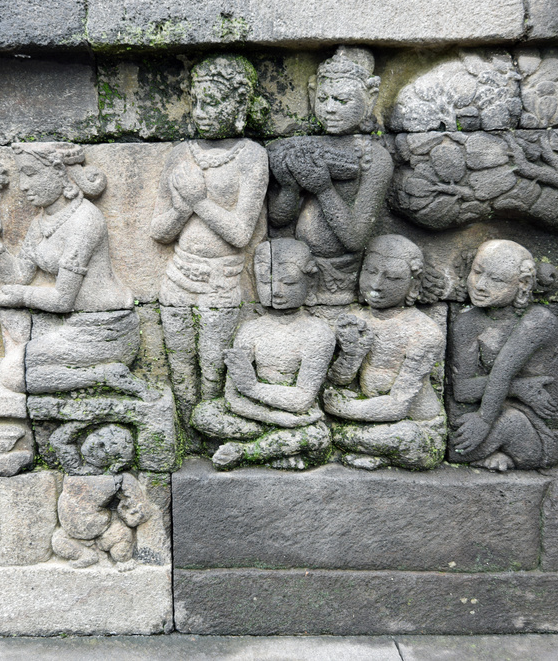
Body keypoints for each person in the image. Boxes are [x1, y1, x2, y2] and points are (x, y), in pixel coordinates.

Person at [151, 54, 269, 434]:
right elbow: (159, 231)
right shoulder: (179, 154)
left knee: (215, 362)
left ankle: (212, 430)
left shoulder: (252, 155)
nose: (201, 112)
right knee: (180, 363)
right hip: (178, 276)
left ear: (237, 106)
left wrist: (199, 200)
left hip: (223, 278)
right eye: (197, 102)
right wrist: (184, 205)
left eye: (213, 102)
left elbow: (240, 234)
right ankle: (187, 431)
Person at [0, 143, 148, 397]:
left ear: (60, 173)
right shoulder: (41, 222)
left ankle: (105, 375)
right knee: (13, 332)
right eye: (21, 176)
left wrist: (20, 295)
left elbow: (62, 300)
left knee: (14, 375)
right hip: (73, 325)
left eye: (32, 173)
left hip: (105, 330)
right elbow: (19, 274)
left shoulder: (85, 219)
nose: (24, 185)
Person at [190, 239, 335, 470]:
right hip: (269, 417)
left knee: (317, 436)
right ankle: (273, 448)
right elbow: (233, 398)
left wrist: (253, 388)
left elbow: (302, 399)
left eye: (288, 282)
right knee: (203, 414)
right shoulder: (251, 330)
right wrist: (279, 419)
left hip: (298, 417)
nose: (276, 292)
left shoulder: (318, 333)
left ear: (311, 283)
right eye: (266, 281)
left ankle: (245, 452)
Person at [267, 46, 393, 305]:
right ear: (313, 93)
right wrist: (290, 186)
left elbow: (356, 238)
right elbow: (279, 220)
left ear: (370, 98)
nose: (330, 109)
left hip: (344, 274)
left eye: (342, 101)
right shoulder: (305, 146)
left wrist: (323, 189)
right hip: (295, 270)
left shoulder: (374, 157)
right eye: (323, 99)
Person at [448, 239, 558, 470]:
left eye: (496, 280)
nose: (480, 285)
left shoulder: (538, 322)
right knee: (456, 433)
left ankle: (496, 454)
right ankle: (492, 454)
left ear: (522, 284)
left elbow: (502, 373)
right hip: (502, 405)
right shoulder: (467, 323)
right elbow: (462, 390)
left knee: (461, 446)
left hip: (543, 432)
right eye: (477, 272)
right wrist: (520, 388)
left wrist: (484, 420)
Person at [324, 235, 446, 470]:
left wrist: (343, 408)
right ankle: (374, 452)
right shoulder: (356, 319)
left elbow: (399, 405)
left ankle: (376, 451)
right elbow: (340, 381)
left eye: (392, 277)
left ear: (413, 284)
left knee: (405, 438)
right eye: (370, 271)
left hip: (416, 428)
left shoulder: (423, 332)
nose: (376, 284)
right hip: (366, 416)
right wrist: (351, 356)